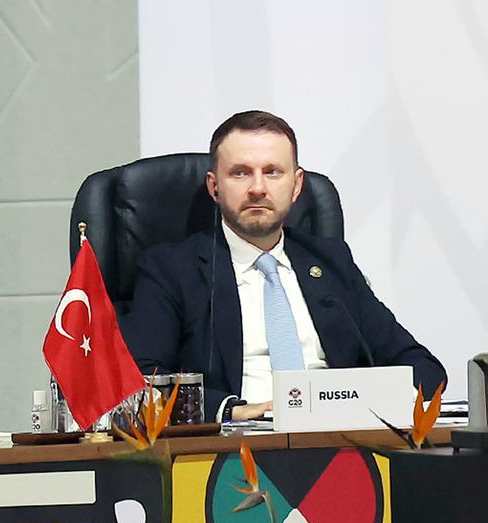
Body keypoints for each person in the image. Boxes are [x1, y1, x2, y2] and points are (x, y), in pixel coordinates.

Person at [121, 110, 446, 421]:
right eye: (240, 173)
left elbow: (422, 368)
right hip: (235, 442)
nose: (258, 188)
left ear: (296, 185)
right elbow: (142, 379)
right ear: (214, 186)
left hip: (338, 437)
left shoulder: (331, 262)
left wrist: (364, 401)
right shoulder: (172, 269)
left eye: (273, 172)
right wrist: (231, 410)